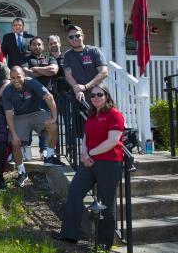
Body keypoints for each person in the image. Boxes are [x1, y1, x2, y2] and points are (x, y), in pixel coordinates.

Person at [57, 84, 124, 251]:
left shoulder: (114, 114)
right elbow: (86, 137)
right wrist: (84, 154)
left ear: (107, 96)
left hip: (109, 162)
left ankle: (103, 244)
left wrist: (90, 154)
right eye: (92, 95)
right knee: (75, 191)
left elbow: (113, 141)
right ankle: (69, 235)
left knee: (106, 203)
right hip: (89, 162)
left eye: (99, 94)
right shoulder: (92, 114)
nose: (95, 98)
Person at [3, 66, 64, 187]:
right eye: (13, 78)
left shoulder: (32, 82)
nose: (16, 80)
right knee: (15, 143)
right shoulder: (7, 90)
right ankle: (22, 172)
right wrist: (14, 134)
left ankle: (49, 157)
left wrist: (54, 117)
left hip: (36, 112)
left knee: (53, 126)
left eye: (18, 77)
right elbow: (9, 114)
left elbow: (49, 97)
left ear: (24, 76)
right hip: (19, 116)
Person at [22, 36, 59, 159]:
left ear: (43, 46)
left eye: (39, 44)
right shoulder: (26, 59)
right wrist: (44, 71)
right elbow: (26, 73)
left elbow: (53, 70)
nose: (36, 46)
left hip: (46, 96)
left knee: (45, 123)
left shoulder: (50, 58)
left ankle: (43, 150)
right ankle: (27, 148)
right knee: (28, 122)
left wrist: (36, 70)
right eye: (34, 44)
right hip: (30, 96)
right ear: (30, 46)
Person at [63, 25, 108, 102]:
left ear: (83, 37)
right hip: (79, 97)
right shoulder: (67, 55)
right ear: (68, 39)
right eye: (71, 37)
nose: (74, 39)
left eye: (77, 36)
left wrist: (86, 87)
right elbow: (68, 75)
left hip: (97, 96)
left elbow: (104, 72)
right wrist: (77, 89)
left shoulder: (94, 51)